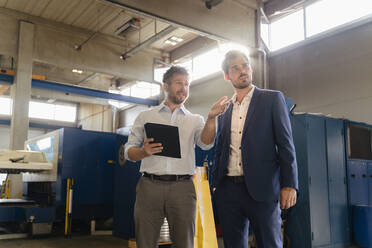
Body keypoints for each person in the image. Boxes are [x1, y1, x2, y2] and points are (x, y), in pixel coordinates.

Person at [124, 66, 229, 248]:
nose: (184, 88)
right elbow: (128, 151)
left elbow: (206, 143)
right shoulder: (145, 116)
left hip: (183, 188)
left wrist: (211, 118)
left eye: (187, 84)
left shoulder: (195, 119)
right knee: (145, 242)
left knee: (184, 243)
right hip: (149, 187)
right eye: (179, 83)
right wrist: (143, 151)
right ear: (166, 86)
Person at [212, 50, 298, 248]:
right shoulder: (225, 110)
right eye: (236, 68)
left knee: (269, 243)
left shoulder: (272, 99)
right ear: (227, 76)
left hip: (263, 190)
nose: (243, 71)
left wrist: (289, 184)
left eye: (245, 65)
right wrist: (217, 185)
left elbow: (286, 144)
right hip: (228, 192)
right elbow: (220, 149)